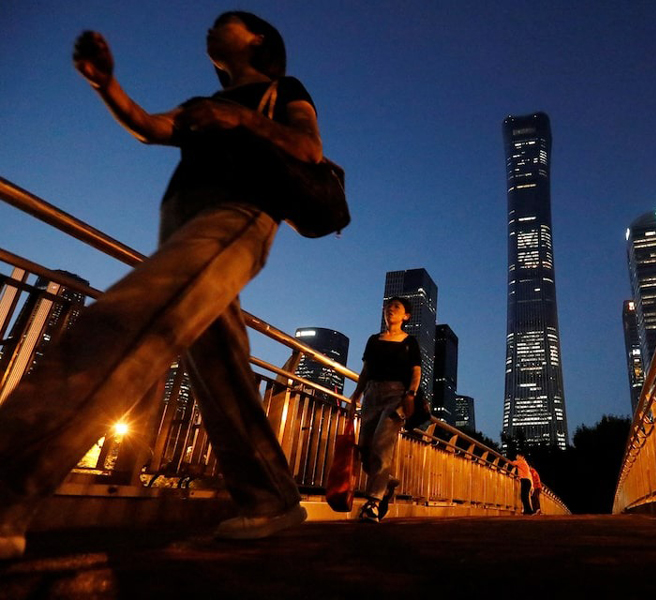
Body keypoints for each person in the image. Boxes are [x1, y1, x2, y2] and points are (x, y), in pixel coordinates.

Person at [0, 11, 324, 559]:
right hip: (183, 225)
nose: (210, 27)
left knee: (127, 318)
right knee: (220, 368)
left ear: (258, 39)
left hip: (239, 216)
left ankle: (9, 479)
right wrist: (108, 84)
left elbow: (310, 149)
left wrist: (242, 120)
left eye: (226, 22)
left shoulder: (280, 90)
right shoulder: (202, 105)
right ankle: (270, 496)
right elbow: (152, 128)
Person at [348, 297, 422, 523]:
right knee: (365, 450)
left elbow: (416, 372)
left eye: (396, 307)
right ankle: (386, 482)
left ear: (406, 316)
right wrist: (355, 395)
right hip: (372, 394)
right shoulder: (374, 340)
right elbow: (366, 370)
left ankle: (373, 502)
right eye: (388, 307)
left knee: (381, 445)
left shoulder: (410, 342)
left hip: (396, 395)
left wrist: (410, 394)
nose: (390, 309)